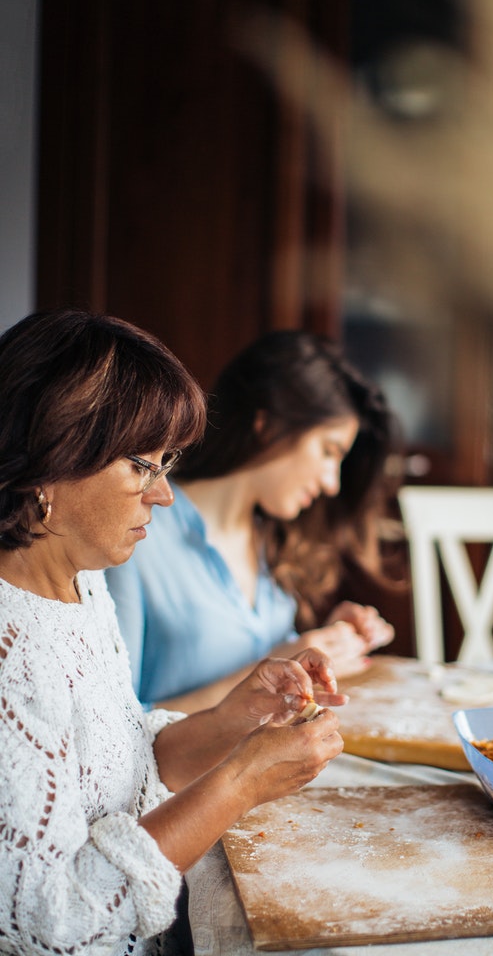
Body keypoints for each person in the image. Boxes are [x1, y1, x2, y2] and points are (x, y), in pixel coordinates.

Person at [0, 309, 346, 956]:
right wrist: (239, 782)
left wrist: (234, 717)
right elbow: (58, 926)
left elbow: (120, 765)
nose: (163, 496)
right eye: (143, 466)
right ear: (53, 458)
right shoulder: (9, 654)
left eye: (168, 465)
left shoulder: (80, 581)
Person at [106, 330, 399, 713]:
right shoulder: (137, 534)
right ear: (270, 425)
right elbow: (113, 729)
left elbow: (267, 655)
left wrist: (321, 644)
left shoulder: (273, 541)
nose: (332, 483)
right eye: (329, 451)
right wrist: (273, 667)